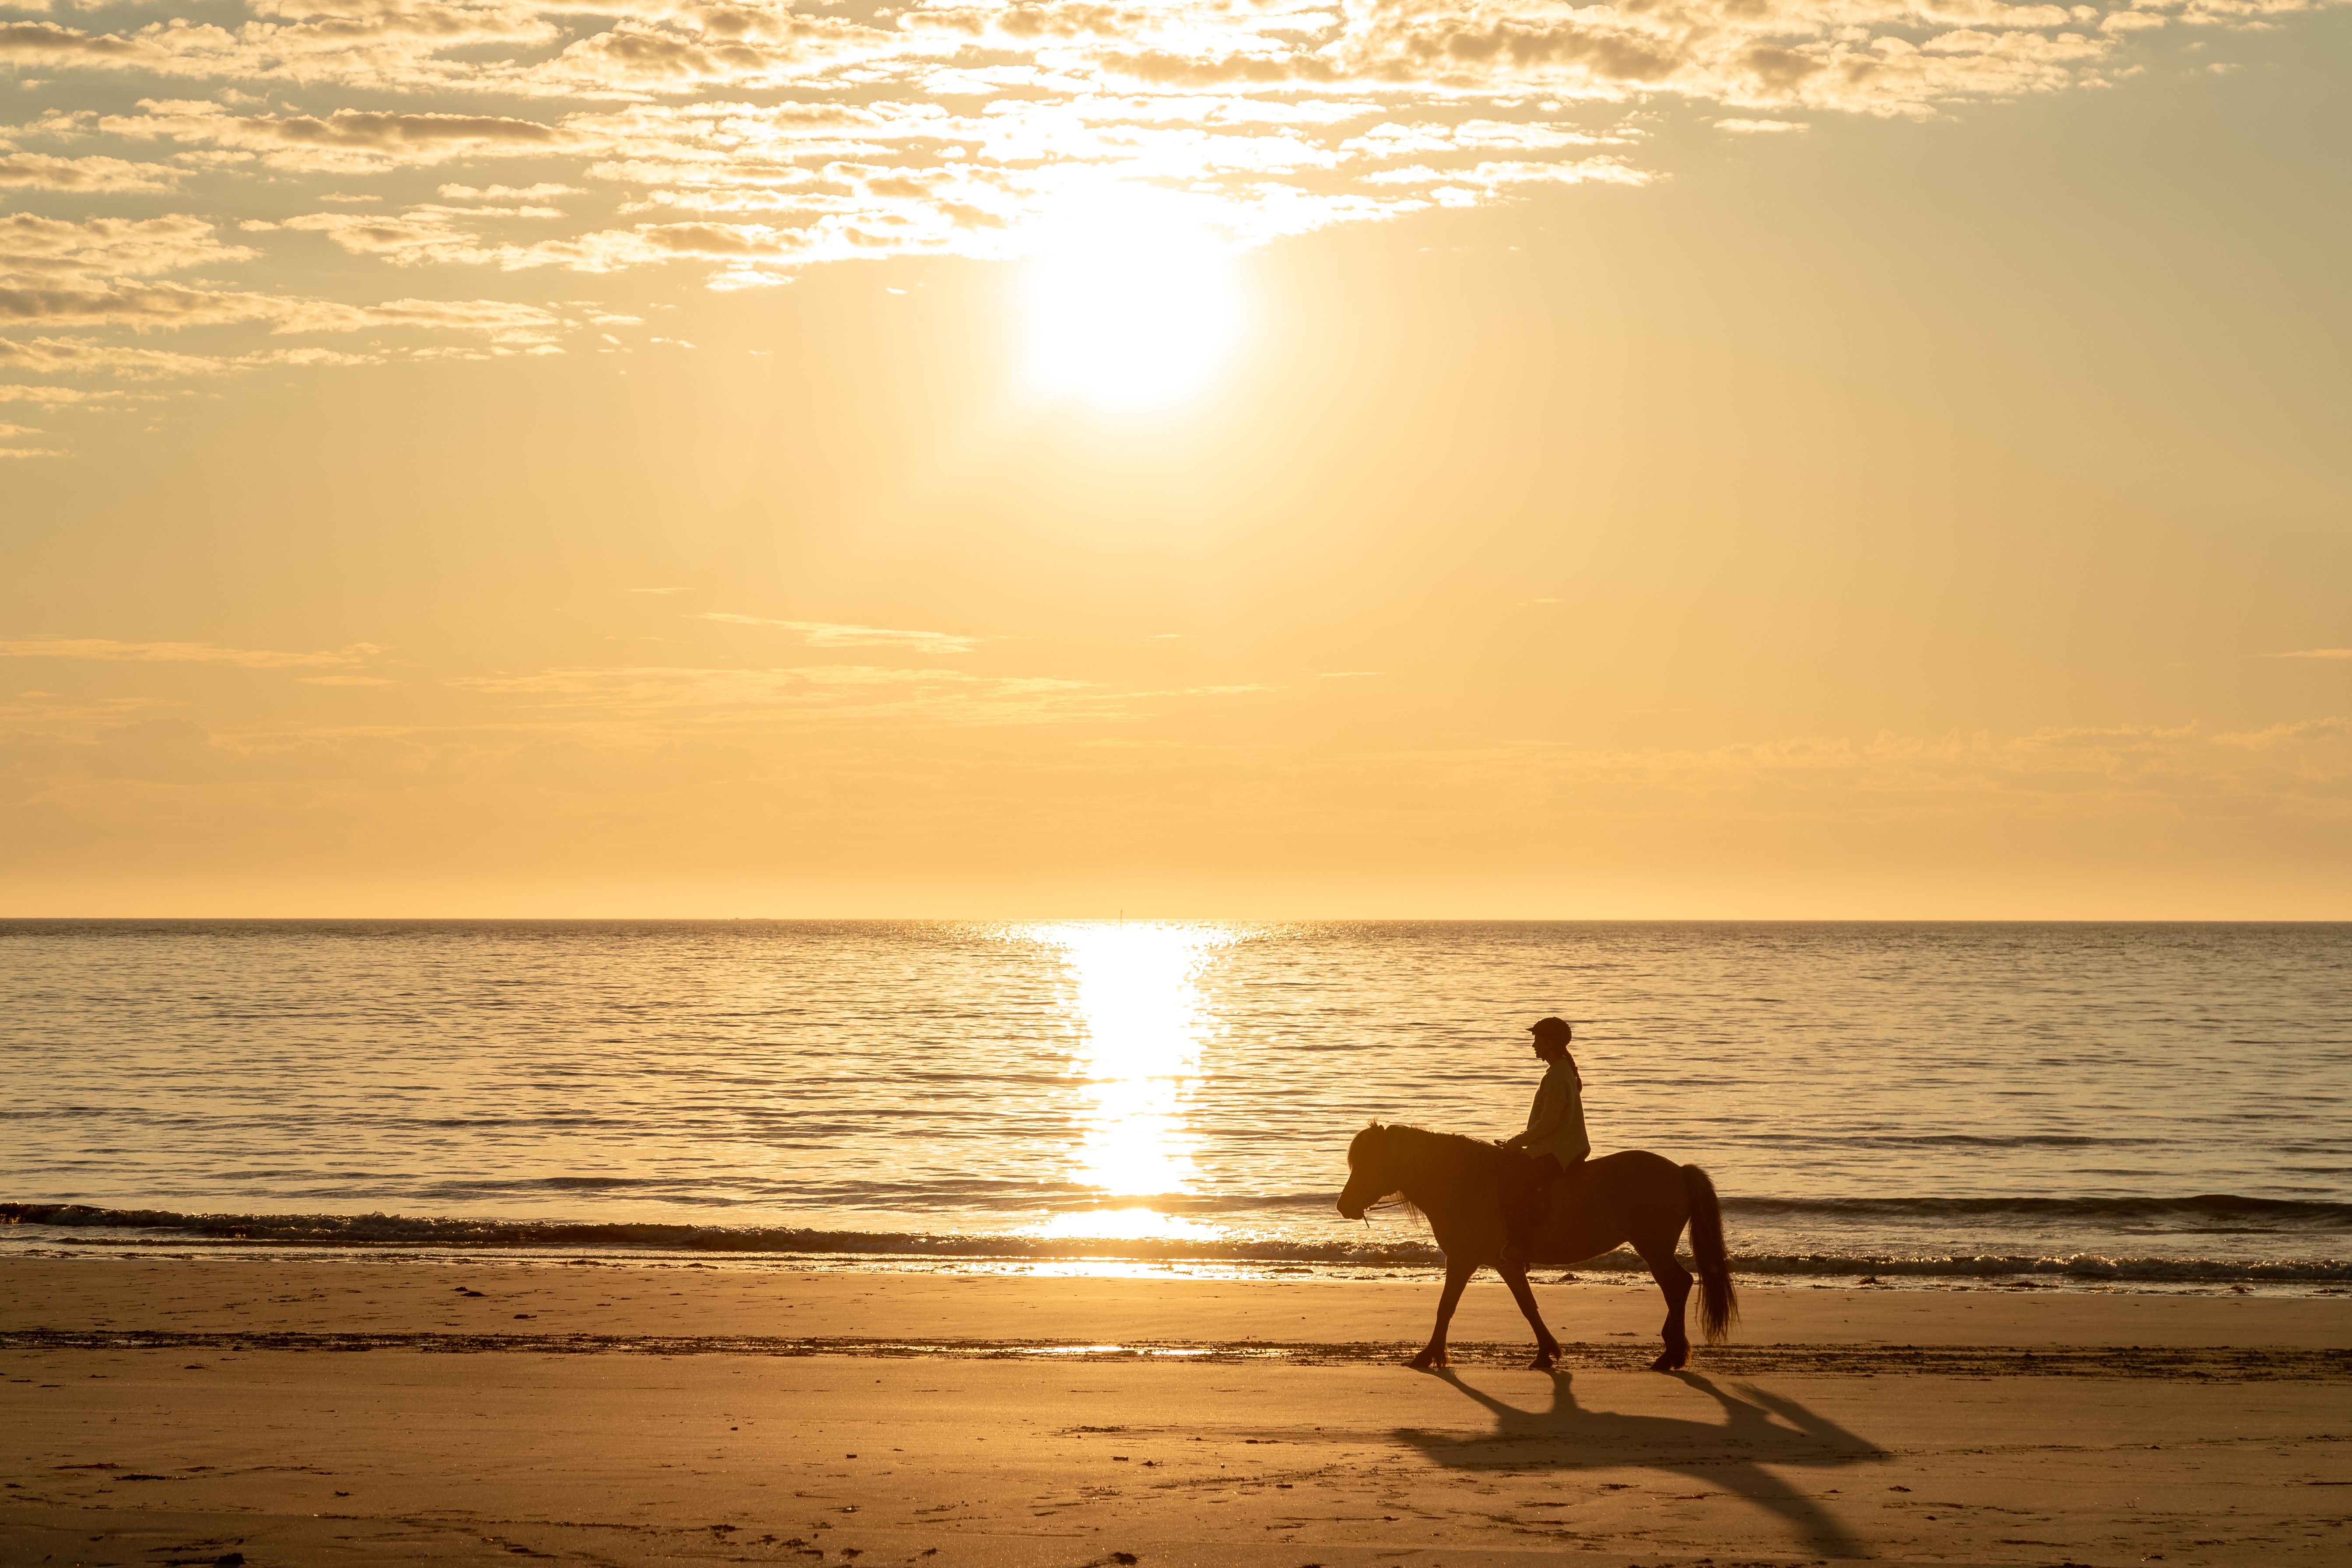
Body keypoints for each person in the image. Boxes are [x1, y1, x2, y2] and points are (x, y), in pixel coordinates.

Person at [1500, 1015, 1590, 1263]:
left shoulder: (1555, 1077)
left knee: (1511, 1182)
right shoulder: (1562, 1071)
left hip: (1558, 1150)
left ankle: (1521, 1245)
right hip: (1561, 1145)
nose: (1533, 1045)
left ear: (1550, 1042)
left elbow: (1548, 1124)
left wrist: (1515, 1143)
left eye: (1536, 1040)